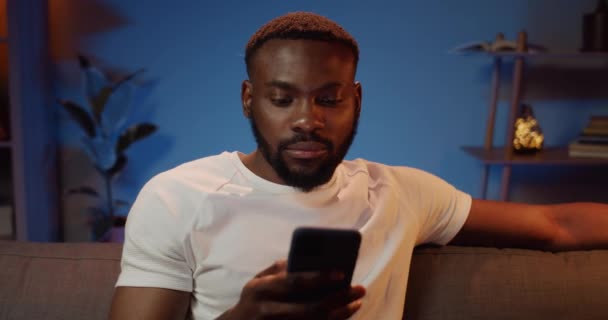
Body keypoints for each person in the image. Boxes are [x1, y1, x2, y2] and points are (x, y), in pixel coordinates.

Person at [109, 11, 608, 320]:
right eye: (282, 99)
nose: (307, 120)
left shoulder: (399, 192)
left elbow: (555, 225)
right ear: (249, 99)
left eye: (330, 99)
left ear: (357, 100)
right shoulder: (176, 197)